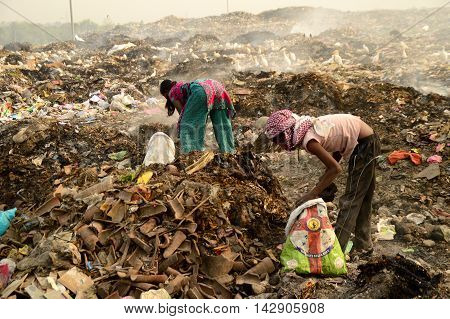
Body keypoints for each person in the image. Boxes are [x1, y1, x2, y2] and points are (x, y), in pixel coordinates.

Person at [264, 110, 380, 255]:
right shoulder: (306, 128)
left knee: (351, 200)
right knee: (364, 197)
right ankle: (363, 246)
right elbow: (338, 146)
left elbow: (335, 169)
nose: (279, 144)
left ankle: (335, 250)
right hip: (368, 141)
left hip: (364, 145)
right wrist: (324, 180)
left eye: (278, 140)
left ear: (286, 133)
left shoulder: (309, 141)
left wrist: (313, 193)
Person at [160, 79, 235, 154]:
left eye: (164, 96)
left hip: (201, 90)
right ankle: (228, 151)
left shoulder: (171, 92)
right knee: (222, 123)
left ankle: (192, 152)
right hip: (216, 86)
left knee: (187, 124)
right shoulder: (180, 86)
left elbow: (183, 114)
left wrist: (180, 128)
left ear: (166, 91)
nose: (167, 98)